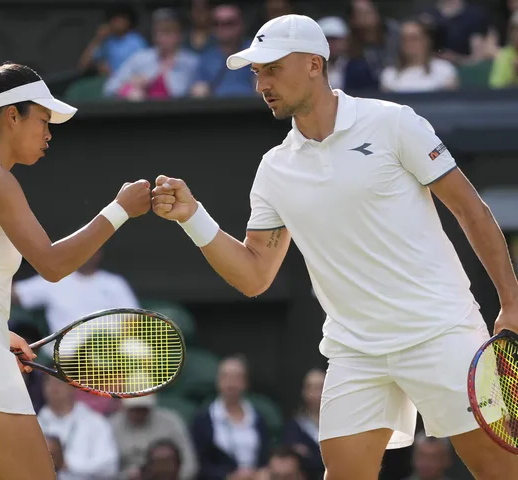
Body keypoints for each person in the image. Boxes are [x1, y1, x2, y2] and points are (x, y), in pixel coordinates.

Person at [151, 14, 518, 479]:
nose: (262, 83)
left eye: (272, 69)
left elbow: (471, 210)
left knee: (499, 470)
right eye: (257, 72)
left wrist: (511, 300)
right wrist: (192, 217)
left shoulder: (393, 123)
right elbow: (254, 275)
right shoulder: (274, 169)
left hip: (439, 329)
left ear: (313, 64)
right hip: (354, 349)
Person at [0, 58, 151, 479]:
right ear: (12, 116)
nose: (48, 133)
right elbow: (53, 265)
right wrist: (119, 210)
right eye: (43, 119)